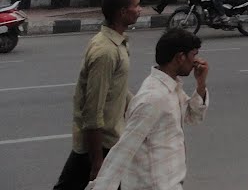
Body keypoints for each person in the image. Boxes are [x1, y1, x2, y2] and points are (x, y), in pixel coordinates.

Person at [85, 28, 209, 190]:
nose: (196, 61)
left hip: (170, 182)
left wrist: (201, 83)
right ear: (180, 57)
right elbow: (123, 150)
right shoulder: (153, 98)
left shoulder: (171, 89)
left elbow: (193, 116)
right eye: (193, 55)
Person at [53, 0, 142, 190]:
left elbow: (116, 90)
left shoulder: (118, 43)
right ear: (122, 12)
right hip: (99, 146)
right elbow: (93, 111)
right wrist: (97, 161)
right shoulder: (106, 52)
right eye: (136, 5)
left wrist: (141, 108)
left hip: (109, 142)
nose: (140, 10)